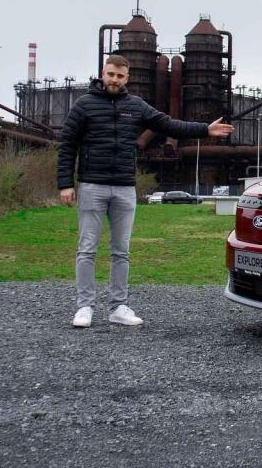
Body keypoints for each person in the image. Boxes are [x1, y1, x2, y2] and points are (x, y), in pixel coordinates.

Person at [57, 55, 234, 328]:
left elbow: (169, 124)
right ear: (103, 74)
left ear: (126, 78)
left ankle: (118, 307)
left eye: (119, 76)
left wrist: (205, 129)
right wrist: (65, 184)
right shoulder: (84, 105)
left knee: (121, 251)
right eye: (110, 74)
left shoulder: (135, 105)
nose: (114, 80)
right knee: (87, 249)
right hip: (92, 185)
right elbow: (67, 145)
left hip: (125, 187)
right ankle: (84, 307)